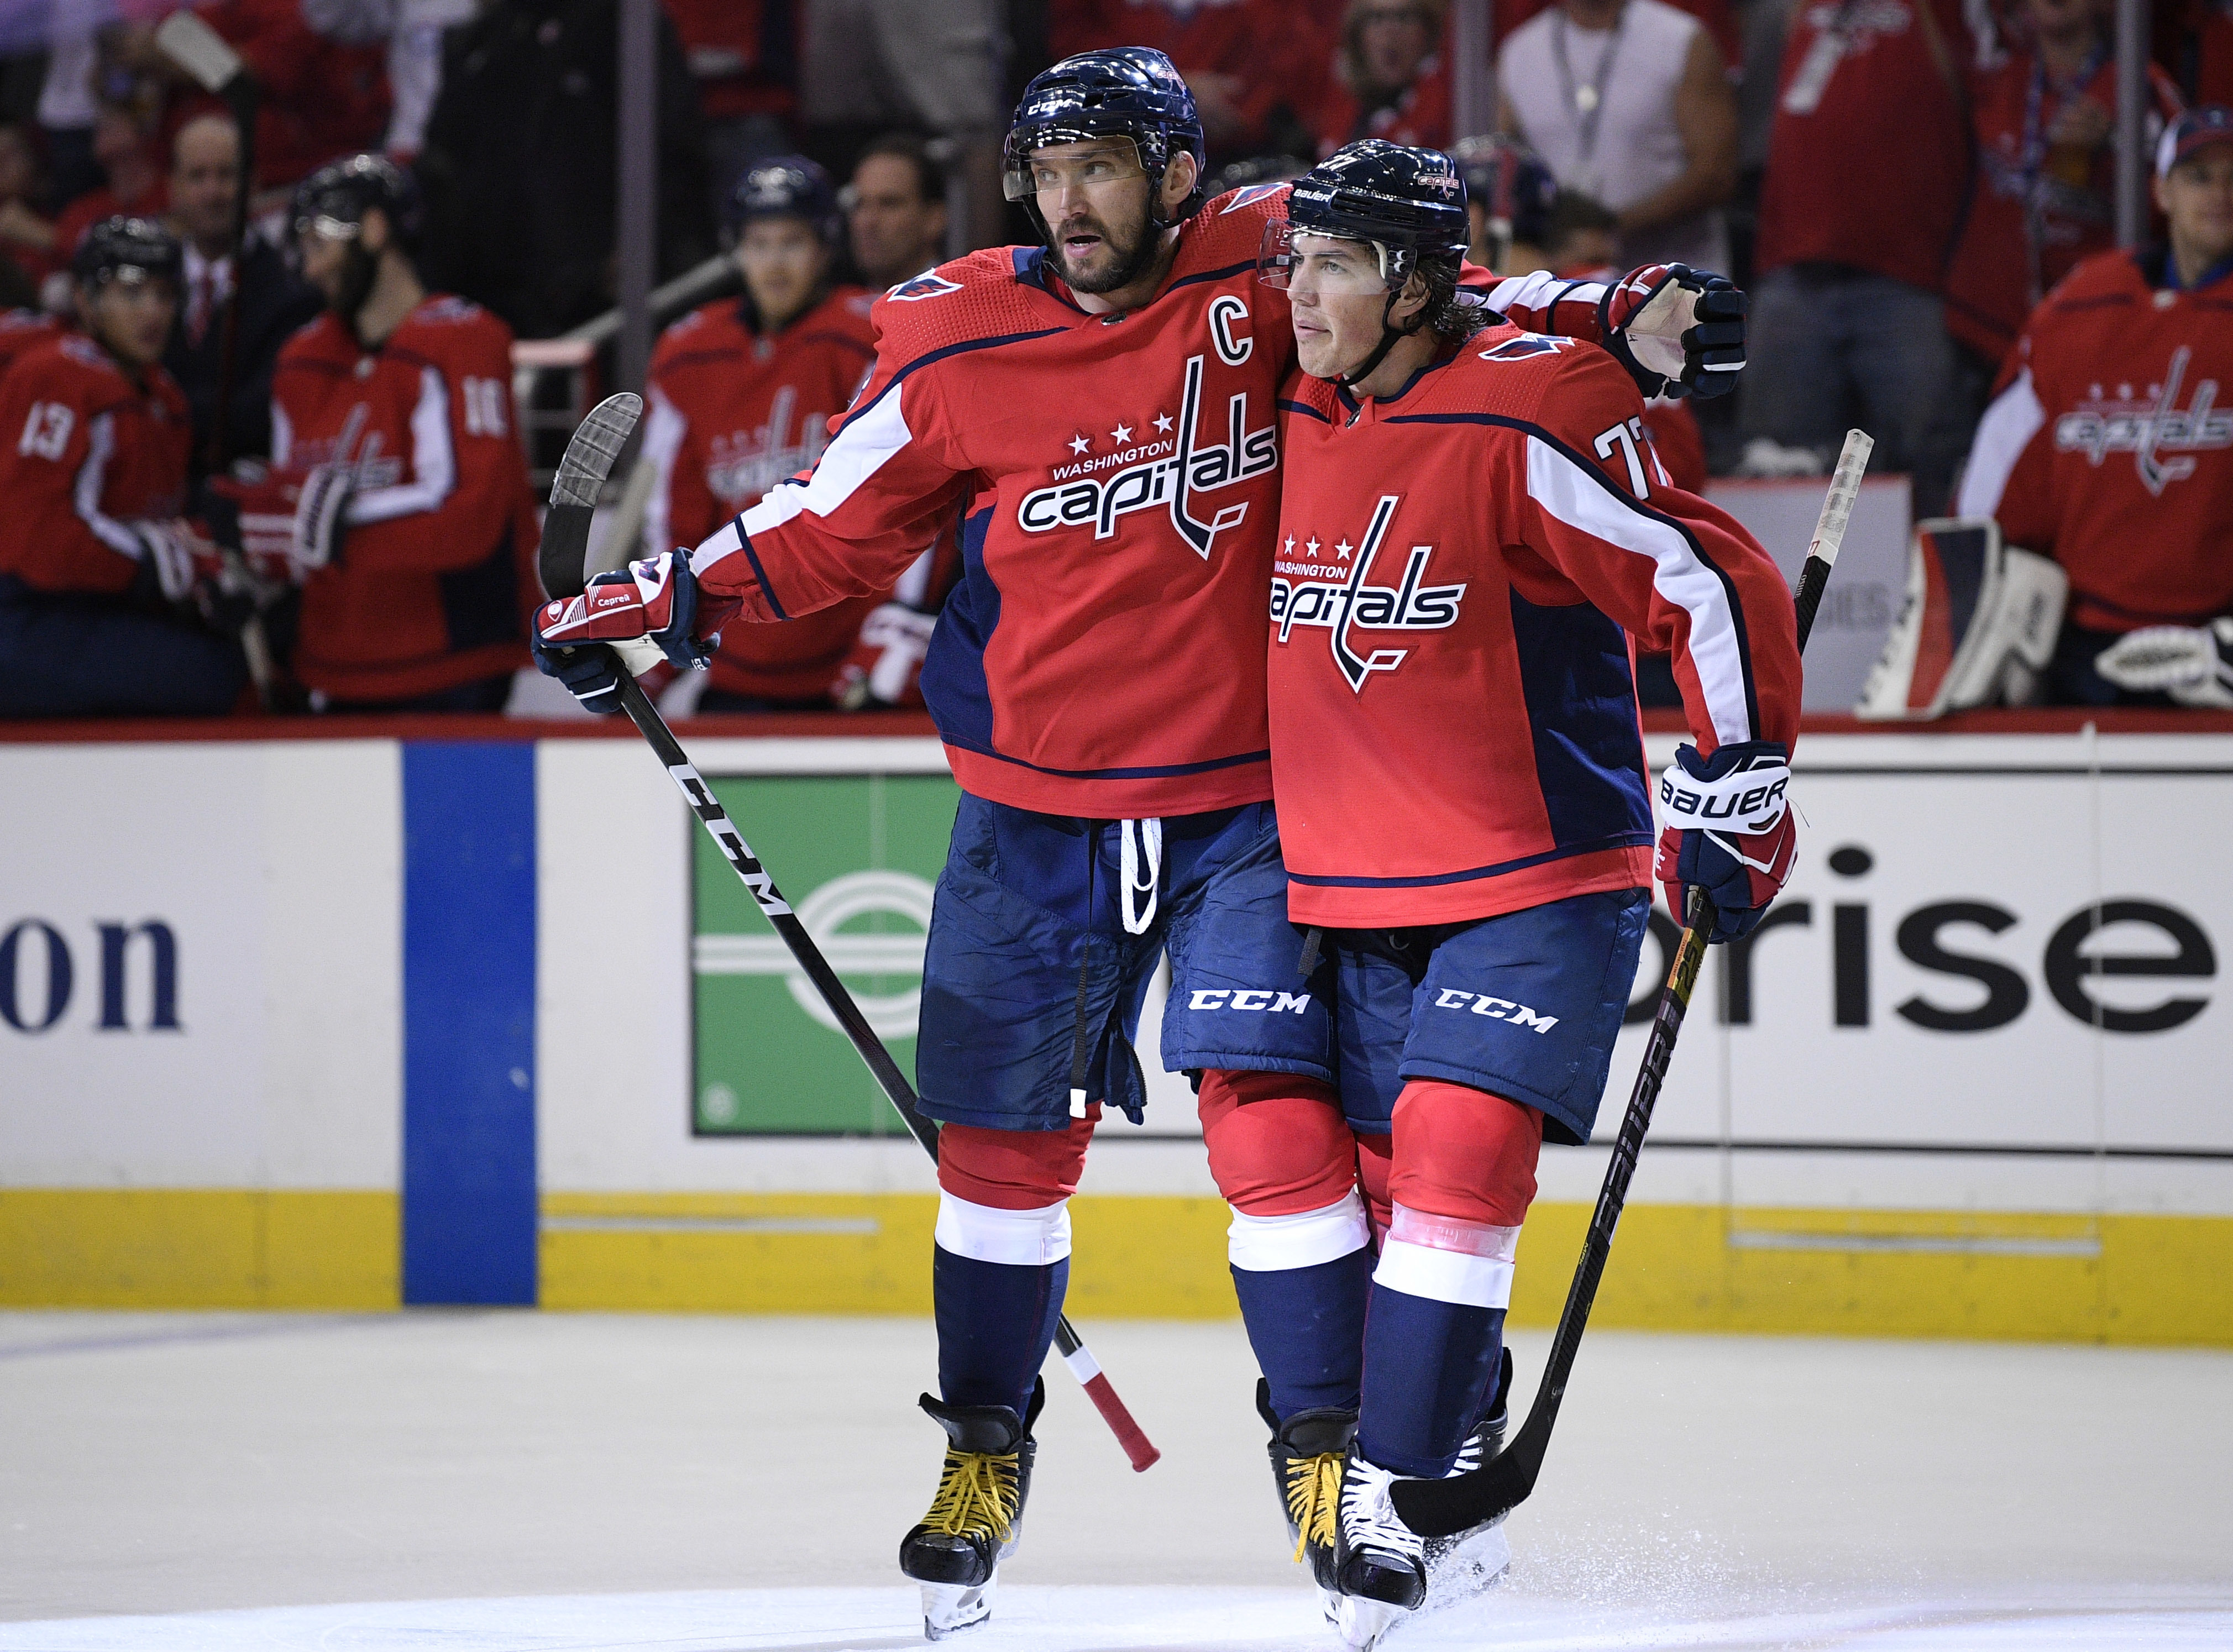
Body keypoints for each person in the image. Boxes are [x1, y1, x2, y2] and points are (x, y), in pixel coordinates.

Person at [527, 48, 1746, 1639]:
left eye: (1103, 165)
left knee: (1271, 1135)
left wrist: (1614, 311)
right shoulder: (955, 328)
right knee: (999, 1155)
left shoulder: (1270, 264)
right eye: (1045, 171)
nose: (1069, 200)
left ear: (1179, 173)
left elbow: (1456, 296)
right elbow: (833, 520)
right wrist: (665, 600)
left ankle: (1332, 1460)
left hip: (1257, 798)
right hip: (1034, 802)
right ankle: (983, 1446)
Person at [1259, 140, 1799, 1645]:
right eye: (1296, 257)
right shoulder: (1301, 389)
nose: (1294, 293)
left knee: (1457, 1153)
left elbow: (1708, 582)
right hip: (1348, 876)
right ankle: (1462, 1459)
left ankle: (1387, 1489)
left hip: (1540, 871)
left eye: (1336, 264)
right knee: (1380, 1204)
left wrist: (1741, 781)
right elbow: (1511, 288)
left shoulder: (1533, 407)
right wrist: (1615, 293)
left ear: (1415, 283)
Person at [232, 154, 540, 711]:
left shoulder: (462, 339)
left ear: (374, 230)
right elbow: (287, 514)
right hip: (331, 666)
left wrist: (333, 522)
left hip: (453, 668)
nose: (309, 270)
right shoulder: (302, 359)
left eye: (317, 245)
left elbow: (467, 517)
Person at [1955, 104, 2233, 705]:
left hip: (2218, 644)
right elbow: (2001, 466)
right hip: (2083, 644)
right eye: (2199, 176)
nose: (2219, 193)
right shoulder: (2080, 306)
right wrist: (1966, 577)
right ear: (2161, 191)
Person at [641, 155, 932, 711]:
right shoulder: (687, 354)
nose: (774, 263)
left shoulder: (871, 335)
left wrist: (890, 631)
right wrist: (664, 627)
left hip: (846, 668)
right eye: (758, 244)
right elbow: (672, 514)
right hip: (736, 663)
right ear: (736, 250)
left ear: (824, 247)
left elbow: (906, 497)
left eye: (792, 243)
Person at [1739, 0, 1984, 511]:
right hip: (1793, 267)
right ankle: (1776, 594)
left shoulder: (1944, 12)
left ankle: (1932, 589)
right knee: (1775, 469)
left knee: (1930, 473)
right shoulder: (1791, 10)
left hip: (1908, 275)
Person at [0, 217, 246, 717]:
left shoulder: (166, 397)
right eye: (132, 294)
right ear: (87, 302)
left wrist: (214, 556)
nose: (152, 311)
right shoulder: (59, 376)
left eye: (163, 295)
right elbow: (40, 540)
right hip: (25, 612)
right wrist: (149, 562)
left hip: (90, 611)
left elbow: (157, 530)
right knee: (217, 678)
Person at [1943, 0, 2184, 378]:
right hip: (1982, 333)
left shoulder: (2139, 88)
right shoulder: (1996, 79)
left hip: (2093, 330)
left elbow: (2191, 204)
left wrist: (2120, 146)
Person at [1496, 0, 1738, 274]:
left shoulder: (1680, 40)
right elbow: (1507, 172)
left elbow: (1716, 175)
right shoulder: (1519, 52)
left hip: (1679, 281)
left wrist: (1611, 227)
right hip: (1569, 285)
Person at [161, 112, 322, 478]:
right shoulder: (152, 278)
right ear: (173, 188)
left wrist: (158, 413)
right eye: (197, 176)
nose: (213, 193)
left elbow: (257, 412)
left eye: (225, 175)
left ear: (252, 184)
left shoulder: (292, 293)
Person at [1311, 0, 1452, 156]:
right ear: (1358, 36)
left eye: (1403, 17)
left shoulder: (1451, 107)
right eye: (1378, 18)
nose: (1390, 30)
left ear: (1427, 33)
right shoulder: (1334, 108)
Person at [846, 133, 948, 291]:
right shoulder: (837, 310)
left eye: (889, 204)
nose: (868, 222)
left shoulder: (963, 309)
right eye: (860, 204)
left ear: (934, 219)